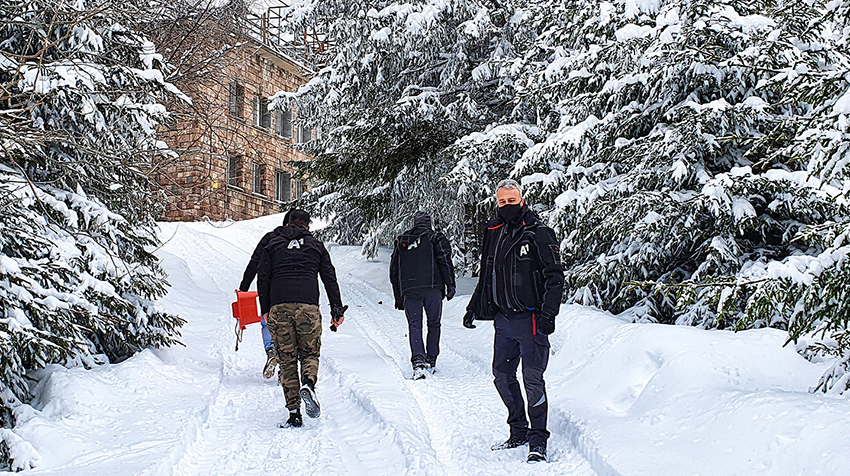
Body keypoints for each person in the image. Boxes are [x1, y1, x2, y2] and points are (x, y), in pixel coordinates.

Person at [463, 179, 564, 463]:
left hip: (531, 319)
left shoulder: (539, 233)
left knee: (532, 379)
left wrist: (548, 314)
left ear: (522, 199)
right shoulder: (494, 232)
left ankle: (538, 441)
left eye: (512, 200)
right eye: (502, 202)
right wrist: (474, 306)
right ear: (497, 203)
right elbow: (487, 275)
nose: (507, 205)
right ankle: (518, 430)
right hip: (503, 320)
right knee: (502, 376)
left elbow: (554, 276)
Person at [257, 209, 347, 428]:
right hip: (308, 307)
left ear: (287, 224)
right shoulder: (316, 246)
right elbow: (329, 278)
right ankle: (308, 382)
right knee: (310, 353)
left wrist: (266, 308)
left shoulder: (273, 245)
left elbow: (263, 278)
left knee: (286, 359)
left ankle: (294, 413)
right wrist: (337, 309)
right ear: (308, 226)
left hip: (279, 307)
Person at [389, 211, 456, 379]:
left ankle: (418, 360)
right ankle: (431, 359)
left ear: (414, 223)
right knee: (434, 323)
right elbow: (445, 261)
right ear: (429, 223)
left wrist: (398, 295)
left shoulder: (402, 240)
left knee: (415, 324)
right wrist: (450, 284)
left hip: (411, 290)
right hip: (433, 288)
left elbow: (394, 270)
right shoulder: (435, 238)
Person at [239, 210, 292, 379]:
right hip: (294, 290)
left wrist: (244, 287)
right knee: (290, 326)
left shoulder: (269, 238)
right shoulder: (303, 241)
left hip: (268, 289)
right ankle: (285, 367)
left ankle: (271, 350)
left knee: (266, 322)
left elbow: (255, 261)